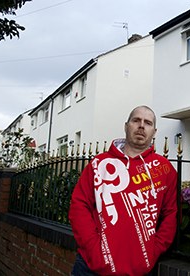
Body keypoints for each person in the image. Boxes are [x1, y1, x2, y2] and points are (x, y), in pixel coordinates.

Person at [69, 105, 177, 275]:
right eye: (136, 120)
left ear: (154, 131)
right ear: (126, 126)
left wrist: (153, 250)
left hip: (139, 269)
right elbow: (79, 205)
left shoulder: (164, 169)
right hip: (90, 267)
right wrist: (93, 248)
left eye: (147, 123)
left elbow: (171, 214)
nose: (141, 126)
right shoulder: (99, 163)